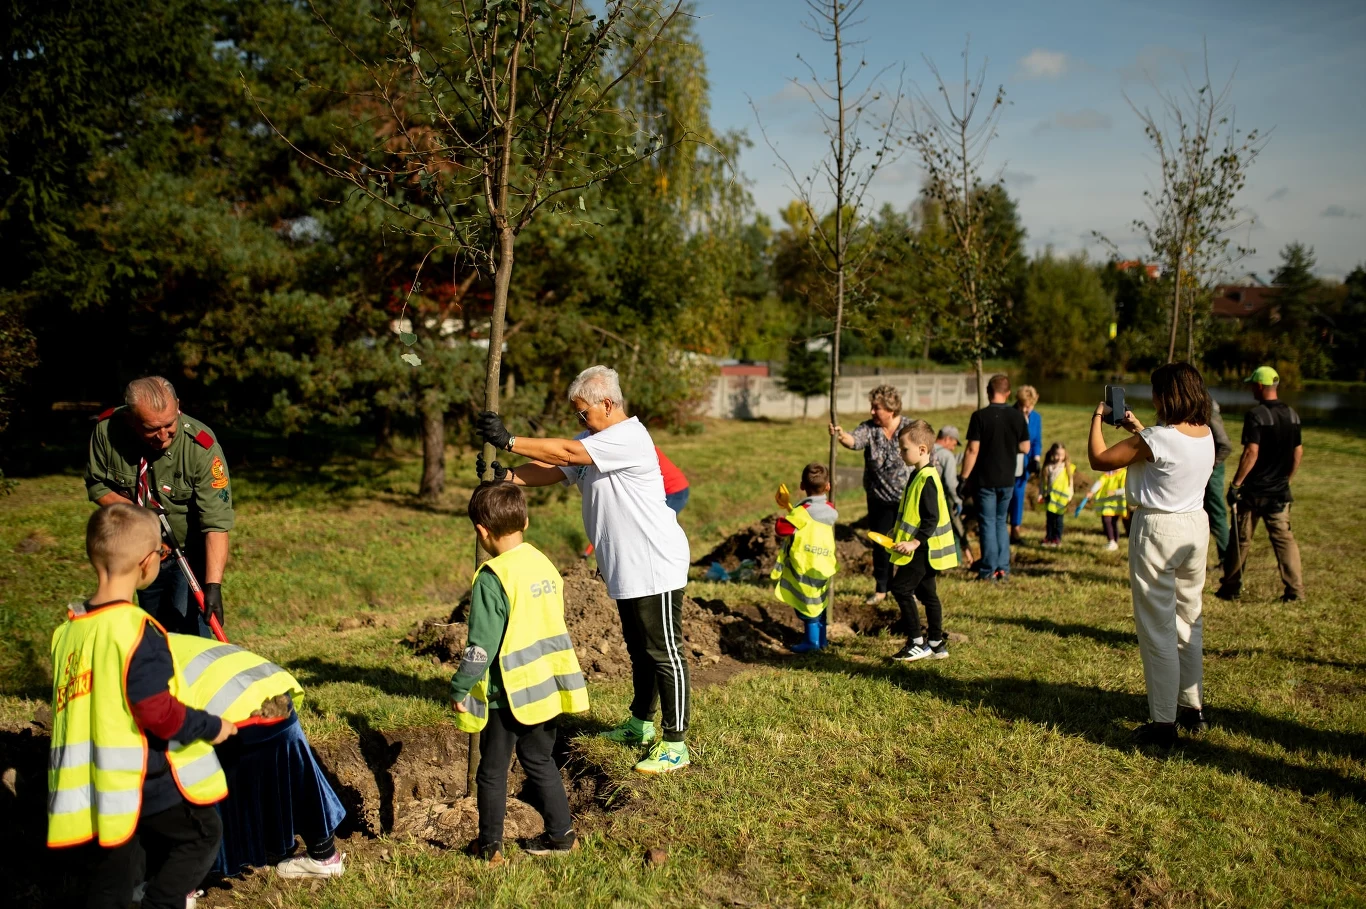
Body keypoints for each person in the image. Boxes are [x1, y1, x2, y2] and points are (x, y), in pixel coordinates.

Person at [475, 365, 692, 775]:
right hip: (625, 565)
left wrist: (509, 441)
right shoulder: (594, 440)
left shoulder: (627, 437)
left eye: (583, 413)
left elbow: (565, 453)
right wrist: (507, 475)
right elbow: (558, 469)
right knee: (639, 650)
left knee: (665, 653)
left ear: (607, 404)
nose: (580, 422)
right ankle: (640, 724)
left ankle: (675, 742)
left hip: (653, 561)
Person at [47, 504, 236, 909]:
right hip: (140, 779)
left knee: (112, 878)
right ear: (147, 563)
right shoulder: (137, 629)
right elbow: (157, 711)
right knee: (202, 834)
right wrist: (211, 725)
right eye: (162, 554)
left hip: (92, 786)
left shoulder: (68, 631)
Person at [450, 481, 589, 862]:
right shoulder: (542, 562)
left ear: (481, 531)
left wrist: (460, 686)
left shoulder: (493, 577)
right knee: (540, 761)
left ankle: (490, 848)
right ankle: (563, 837)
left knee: (492, 772)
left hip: (507, 693)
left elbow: (481, 645)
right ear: (525, 521)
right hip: (545, 685)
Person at [1088, 362, 1214, 748]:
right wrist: (1139, 429)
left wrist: (1097, 415)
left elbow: (1099, 459)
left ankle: (1163, 724)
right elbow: (1167, 456)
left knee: (1157, 629)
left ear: (1167, 395)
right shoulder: (1204, 434)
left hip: (1158, 530)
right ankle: (1192, 709)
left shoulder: (1158, 438)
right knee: (1188, 619)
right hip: (1194, 526)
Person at [167, 635, 347, 881]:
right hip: (270, 687)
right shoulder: (159, 636)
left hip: (226, 713)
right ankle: (324, 856)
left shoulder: (117, 665)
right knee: (294, 765)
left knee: (180, 779)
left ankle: (181, 885)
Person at [85, 376, 235, 638]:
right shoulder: (108, 432)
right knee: (156, 630)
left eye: (169, 424)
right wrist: (140, 514)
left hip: (188, 554)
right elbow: (97, 486)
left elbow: (216, 521)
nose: (163, 435)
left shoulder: (200, 447)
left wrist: (213, 586)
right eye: (152, 429)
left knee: (192, 633)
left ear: (177, 406)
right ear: (132, 418)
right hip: (144, 553)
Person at [1218, 366, 1306, 602]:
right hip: (1279, 492)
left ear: (1259, 386)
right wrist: (1286, 480)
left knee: (1240, 539)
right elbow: (1298, 453)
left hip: (1254, 492)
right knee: (1284, 540)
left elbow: (1251, 452)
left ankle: (1231, 587)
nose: (1250, 389)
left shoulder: (1256, 415)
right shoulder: (1292, 414)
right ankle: (1295, 591)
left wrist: (1236, 484)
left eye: (1251, 385)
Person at [829, 385, 912, 604]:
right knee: (881, 544)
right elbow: (854, 441)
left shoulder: (908, 428)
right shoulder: (869, 429)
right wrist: (841, 435)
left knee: (907, 544)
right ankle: (882, 589)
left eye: (877, 408)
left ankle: (906, 588)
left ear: (891, 409)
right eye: (872, 407)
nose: (872, 412)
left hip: (907, 500)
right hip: (879, 499)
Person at [887, 420, 959, 662]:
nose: (901, 453)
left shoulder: (927, 478)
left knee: (900, 588)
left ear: (922, 450)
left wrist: (914, 543)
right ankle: (937, 643)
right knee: (928, 594)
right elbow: (912, 513)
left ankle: (917, 642)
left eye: (904, 449)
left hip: (922, 548)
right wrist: (895, 533)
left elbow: (931, 518)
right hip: (924, 547)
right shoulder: (918, 475)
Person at [960, 375, 1031, 581]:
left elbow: (973, 449)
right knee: (1001, 522)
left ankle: (988, 569)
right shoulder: (1017, 417)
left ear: (988, 391)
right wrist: (1008, 446)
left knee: (988, 523)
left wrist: (964, 477)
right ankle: (1003, 568)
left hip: (985, 479)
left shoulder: (979, 417)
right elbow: (1025, 447)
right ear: (1008, 393)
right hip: (1008, 479)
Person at [772, 463, 839, 653]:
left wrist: (787, 515)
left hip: (804, 564)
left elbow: (781, 529)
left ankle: (812, 642)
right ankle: (822, 639)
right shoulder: (829, 509)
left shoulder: (801, 513)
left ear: (802, 486)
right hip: (823, 565)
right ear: (828, 487)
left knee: (807, 605)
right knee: (820, 601)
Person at [932, 426, 972, 567]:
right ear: (947, 439)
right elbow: (950, 483)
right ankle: (955, 560)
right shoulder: (946, 455)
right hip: (941, 500)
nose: (954, 448)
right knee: (951, 529)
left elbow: (953, 459)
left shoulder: (927, 450)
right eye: (954, 444)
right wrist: (957, 500)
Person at [1008, 385, 1043, 544]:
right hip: (1008, 460)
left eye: (1029, 407)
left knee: (1018, 494)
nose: (1026, 410)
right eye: (1023, 406)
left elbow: (1036, 441)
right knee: (1007, 494)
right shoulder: (1009, 415)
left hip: (1024, 464)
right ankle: (1002, 528)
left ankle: (1015, 530)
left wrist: (1036, 458)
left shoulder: (1036, 418)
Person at [1204, 401, 1235, 564]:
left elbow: (1225, 445)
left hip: (1211, 471)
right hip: (1203, 470)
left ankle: (1228, 561)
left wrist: (1210, 466)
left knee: (1217, 514)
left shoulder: (1208, 410)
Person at [1078, 468, 1129, 551]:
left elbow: (1126, 488)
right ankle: (1112, 541)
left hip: (1116, 505)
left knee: (1113, 523)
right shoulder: (1107, 474)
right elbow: (1099, 483)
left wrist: (1115, 492)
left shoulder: (1124, 474)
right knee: (1107, 521)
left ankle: (1114, 542)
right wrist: (1092, 492)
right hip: (1106, 505)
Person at [1037, 443, 1077, 547]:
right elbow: (1042, 483)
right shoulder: (1048, 468)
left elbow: (1070, 483)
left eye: (1062, 455)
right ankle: (1048, 537)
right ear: (1052, 454)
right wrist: (1041, 494)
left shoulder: (1066, 468)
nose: (1059, 458)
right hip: (1050, 498)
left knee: (1058, 520)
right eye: (1057, 455)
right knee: (1049, 520)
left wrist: (1070, 495)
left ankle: (1057, 538)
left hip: (1061, 500)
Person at [657, 446, 691, 515]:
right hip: (673, 488)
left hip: (673, 491)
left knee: (659, 523)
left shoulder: (639, 449)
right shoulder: (644, 444)